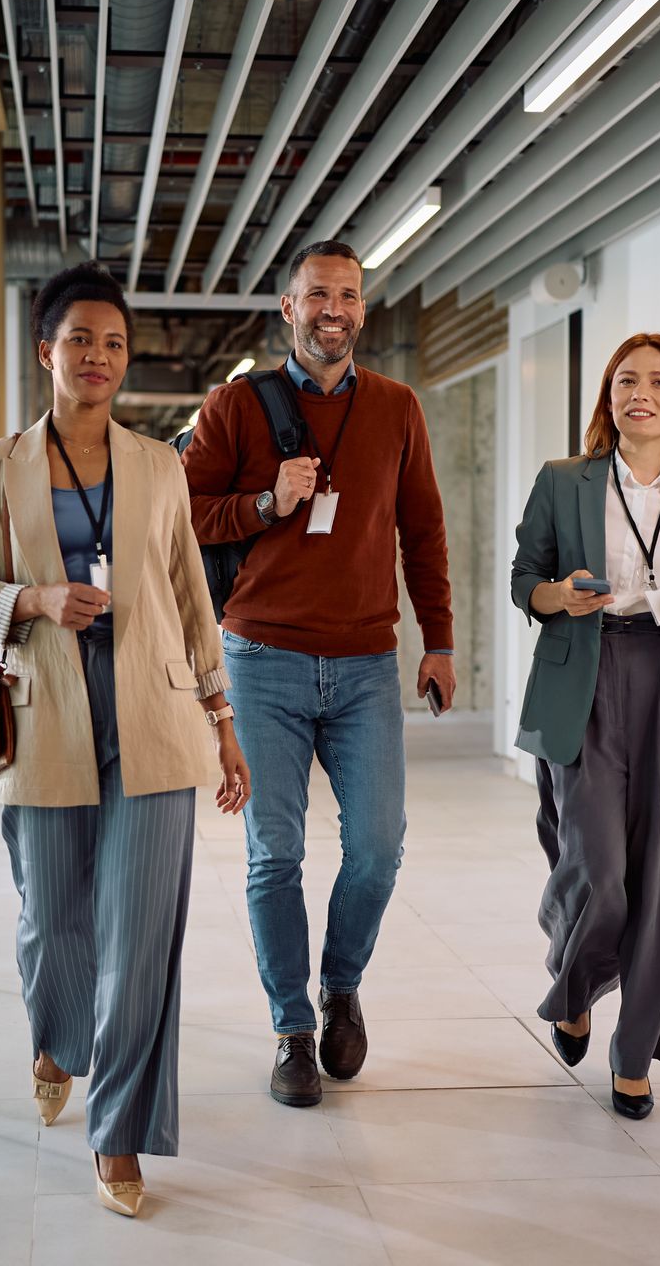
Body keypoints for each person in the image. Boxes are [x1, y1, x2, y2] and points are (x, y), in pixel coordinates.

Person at [0, 263, 250, 1217]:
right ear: (47, 351)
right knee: (54, 921)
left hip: (153, 718)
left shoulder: (161, 465)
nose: (98, 358)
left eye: (113, 343)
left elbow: (193, 602)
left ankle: (119, 1134)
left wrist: (223, 721)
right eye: (80, 340)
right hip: (46, 715)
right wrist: (35, 598)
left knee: (142, 937)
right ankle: (56, 1030)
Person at [181, 240, 456, 1107]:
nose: (332, 309)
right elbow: (180, 519)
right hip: (262, 660)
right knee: (276, 854)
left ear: (362, 311)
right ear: (289, 309)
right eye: (316, 295)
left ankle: (342, 986)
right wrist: (266, 504)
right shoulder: (234, 407)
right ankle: (292, 1031)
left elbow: (425, 533)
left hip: (369, 662)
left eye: (347, 295)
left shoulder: (397, 408)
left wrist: (439, 641)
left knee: (377, 847)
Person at [509, 331, 660, 1122]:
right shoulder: (564, 481)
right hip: (590, 676)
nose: (638, 392)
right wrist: (557, 596)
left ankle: (632, 1056)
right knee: (599, 870)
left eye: (657, 383)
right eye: (624, 380)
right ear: (608, 397)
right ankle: (574, 988)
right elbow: (521, 581)